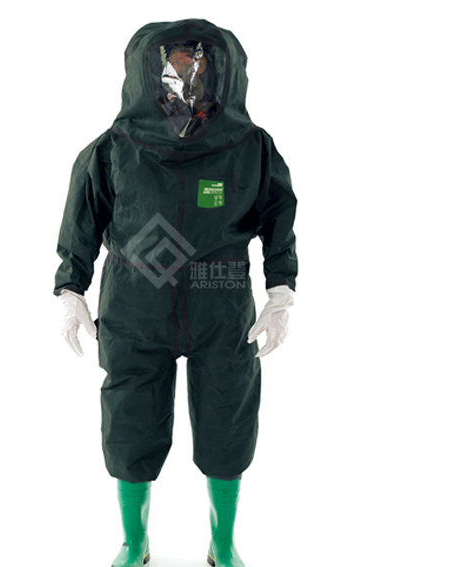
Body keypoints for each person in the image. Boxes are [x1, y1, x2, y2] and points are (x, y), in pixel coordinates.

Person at [54, 18, 298, 567]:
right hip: (136, 306)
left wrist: (281, 289)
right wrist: (70, 287)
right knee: (130, 422)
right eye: (175, 69)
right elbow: (82, 218)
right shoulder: (115, 148)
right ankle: (135, 542)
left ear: (223, 74)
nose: (186, 82)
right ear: (148, 74)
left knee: (228, 422)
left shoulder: (249, 147)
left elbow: (278, 214)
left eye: (199, 68)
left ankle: (222, 542)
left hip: (222, 304)